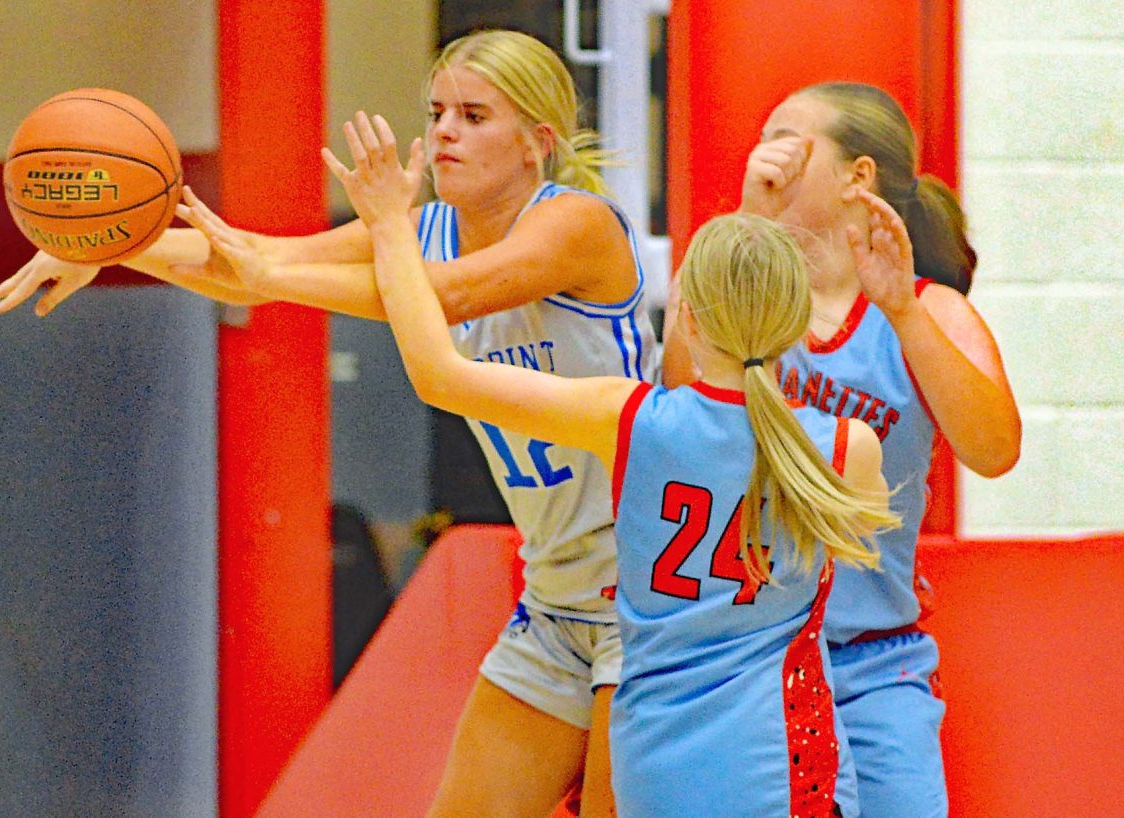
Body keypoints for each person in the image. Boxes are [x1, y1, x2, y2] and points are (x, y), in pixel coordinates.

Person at [0, 30, 656, 817]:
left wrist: (307, 262)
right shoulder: (422, 233)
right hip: (555, 589)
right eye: (437, 111)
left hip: (643, 586)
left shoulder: (577, 223)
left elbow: (445, 299)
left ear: (538, 141)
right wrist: (111, 245)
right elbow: (257, 261)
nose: (443, 131)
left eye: (474, 115)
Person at [237, 110, 900, 816]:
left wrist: (393, 228)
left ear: (691, 317)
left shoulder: (631, 419)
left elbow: (439, 374)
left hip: (652, 764)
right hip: (778, 762)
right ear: (798, 322)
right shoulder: (846, 447)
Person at [665, 82, 1022, 818]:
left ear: (857, 176)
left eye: (790, 139)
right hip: (748, 657)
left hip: (872, 660)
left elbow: (993, 451)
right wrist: (748, 222)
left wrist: (900, 312)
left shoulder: (928, 310)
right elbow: (678, 404)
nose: (767, 154)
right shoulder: (747, 302)